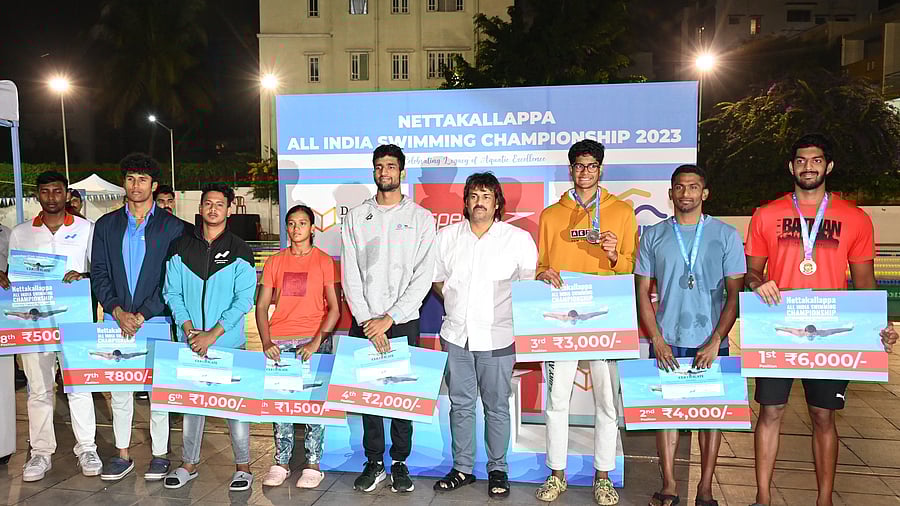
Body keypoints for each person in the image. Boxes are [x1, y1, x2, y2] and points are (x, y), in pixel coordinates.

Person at [745, 133, 898, 506]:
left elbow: (865, 281)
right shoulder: (766, 215)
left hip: (831, 333)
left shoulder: (854, 218)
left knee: (823, 416)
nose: (808, 167)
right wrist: (758, 283)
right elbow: (751, 272)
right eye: (801, 160)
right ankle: (762, 498)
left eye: (815, 160)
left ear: (828, 166)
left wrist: (881, 324)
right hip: (778, 328)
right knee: (770, 412)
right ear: (791, 167)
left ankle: (824, 500)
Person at [634, 164, 746, 506]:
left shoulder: (726, 235)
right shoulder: (653, 236)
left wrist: (716, 340)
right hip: (667, 340)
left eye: (693, 187)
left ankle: (705, 489)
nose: (686, 193)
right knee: (666, 415)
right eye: (680, 187)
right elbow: (641, 293)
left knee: (711, 418)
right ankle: (668, 485)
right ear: (671, 193)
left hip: (710, 342)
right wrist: (656, 339)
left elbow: (735, 295)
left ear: (705, 193)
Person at [534, 139, 637, 505]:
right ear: (571, 170)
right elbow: (541, 266)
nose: (585, 172)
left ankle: (603, 476)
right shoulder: (550, 215)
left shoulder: (622, 211)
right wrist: (543, 274)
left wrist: (614, 256)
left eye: (592, 166)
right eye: (579, 165)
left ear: (601, 169)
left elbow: (631, 267)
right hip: (562, 319)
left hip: (605, 317)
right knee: (556, 400)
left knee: (607, 403)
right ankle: (556, 473)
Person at [431, 172, 537, 499]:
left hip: (498, 336)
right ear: (465, 202)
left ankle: (498, 469)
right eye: (474, 196)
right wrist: (455, 300)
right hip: (456, 335)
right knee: (461, 405)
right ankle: (462, 468)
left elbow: (528, 286)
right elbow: (437, 279)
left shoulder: (518, 239)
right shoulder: (446, 237)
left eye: (487, 197)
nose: (480, 203)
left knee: (496, 406)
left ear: (497, 204)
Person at [341, 144, 436, 494]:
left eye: (391, 166)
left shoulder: (421, 218)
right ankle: (374, 462)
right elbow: (350, 273)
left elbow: (424, 276)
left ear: (402, 172)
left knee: (401, 397)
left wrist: (390, 318)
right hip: (365, 322)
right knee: (369, 397)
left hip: (403, 321)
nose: (385, 172)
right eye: (379, 166)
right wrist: (369, 320)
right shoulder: (355, 217)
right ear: (374, 171)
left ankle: (399, 462)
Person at [91, 153, 185, 481]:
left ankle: (160, 455)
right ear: (124, 183)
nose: (136, 185)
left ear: (154, 185)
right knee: (120, 393)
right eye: (130, 179)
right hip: (116, 321)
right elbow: (99, 272)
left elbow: (171, 279)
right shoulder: (106, 225)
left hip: (155, 322)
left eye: (142, 180)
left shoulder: (173, 227)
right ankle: (122, 454)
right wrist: (117, 310)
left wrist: (143, 313)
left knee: (159, 392)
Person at [2, 171, 101, 481]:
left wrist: (84, 277)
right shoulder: (22, 232)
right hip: (35, 326)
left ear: (66, 193)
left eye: (57, 191)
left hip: (75, 321)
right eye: (45, 191)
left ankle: (87, 448)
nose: (51, 197)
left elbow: (98, 271)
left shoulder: (87, 229)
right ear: (37, 195)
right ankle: (41, 452)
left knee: (79, 387)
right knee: (39, 390)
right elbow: (14, 276)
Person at [161, 183, 257, 491]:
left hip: (228, 344)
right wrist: (190, 331)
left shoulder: (240, 250)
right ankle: (189, 464)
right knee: (193, 407)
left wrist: (213, 334)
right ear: (200, 208)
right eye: (208, 203)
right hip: (191, 343)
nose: (213, 209)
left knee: (235, 408)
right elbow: (172, 293)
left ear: (229, 210)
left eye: (219, 204)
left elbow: (244, 300)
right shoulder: (180, 247)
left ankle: (243, 467)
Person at [256, 204, 340, 488]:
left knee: (314, 405)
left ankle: (313, 464)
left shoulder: (324, 261)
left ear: (312, 228)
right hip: (280, 342)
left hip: (313, 342)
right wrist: (266, 340)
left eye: (302, 223)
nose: (296, 229)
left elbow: (335, 309)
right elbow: (261, 306)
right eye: (291, 223)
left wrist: (316, 342)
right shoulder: (275, 262)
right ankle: (281, 462)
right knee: (281, 406)